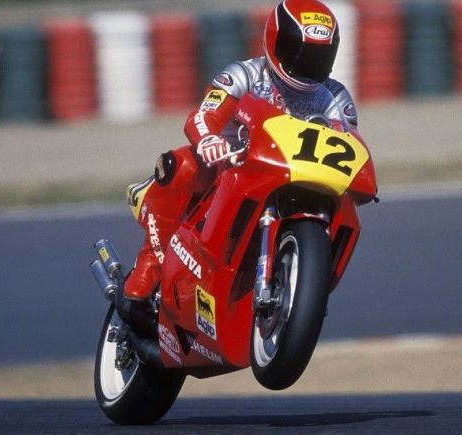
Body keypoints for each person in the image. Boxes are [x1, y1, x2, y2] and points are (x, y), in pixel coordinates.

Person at [118, 0, 359, 335]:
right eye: (297, 51)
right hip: (231, 172)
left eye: (318, 56)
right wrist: (208, 140)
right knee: (182, 164)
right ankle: (149, 267)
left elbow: (347, 143)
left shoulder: (335, 97)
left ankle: (298, 287)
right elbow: (203, 115)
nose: (306, 63)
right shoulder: (245, 75)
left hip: (294, 181)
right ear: (274, 41)